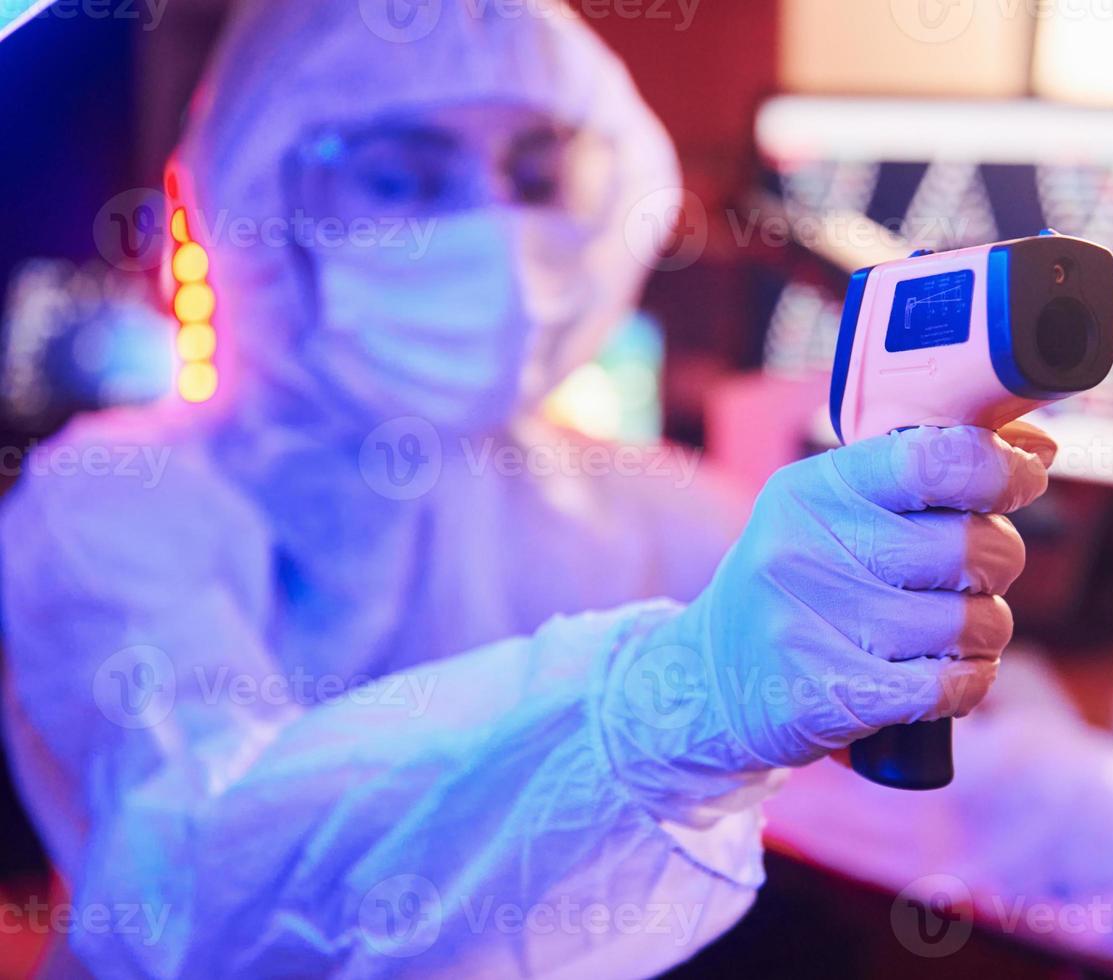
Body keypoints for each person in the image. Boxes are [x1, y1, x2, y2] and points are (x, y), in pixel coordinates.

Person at [0, 1, 1053, 975]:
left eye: (536, 171)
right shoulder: (107, 504)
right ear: (266, 197)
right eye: (405, 177)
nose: (495, 229)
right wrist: (680, 697)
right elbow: (196, 882)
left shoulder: (625, 501)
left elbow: (1003, 781)